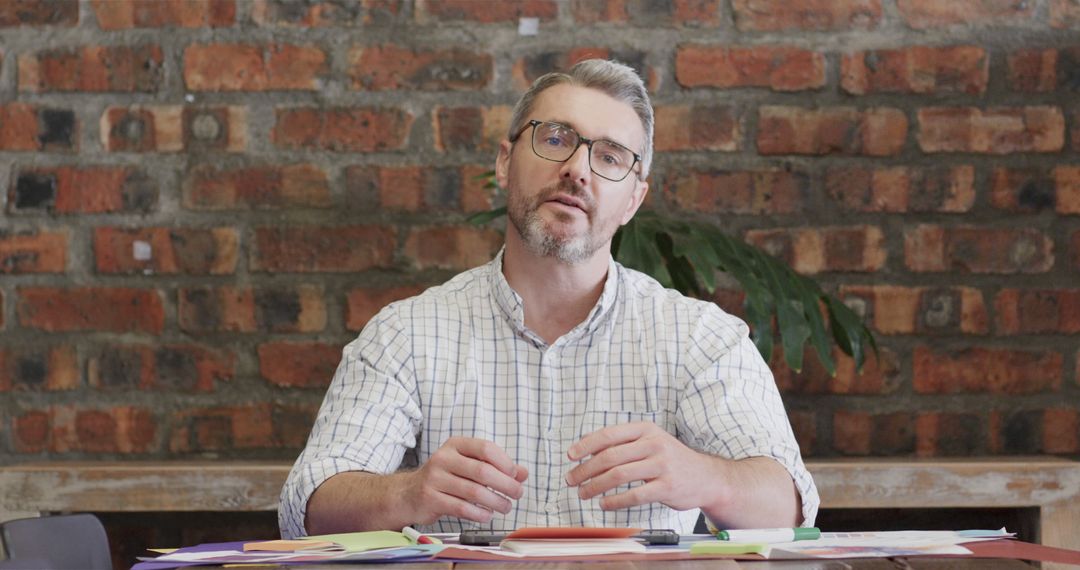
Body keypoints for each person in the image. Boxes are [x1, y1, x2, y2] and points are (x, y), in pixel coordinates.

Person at [279, 59, 818, 539]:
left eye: (609, 156)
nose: (578, 169)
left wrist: (708, 478)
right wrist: (407, 494)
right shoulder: (407, 333)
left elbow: (792, 509)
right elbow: (308, 507)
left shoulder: (700, 338)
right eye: (557, 138)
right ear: (504, 162)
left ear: (633, 199)